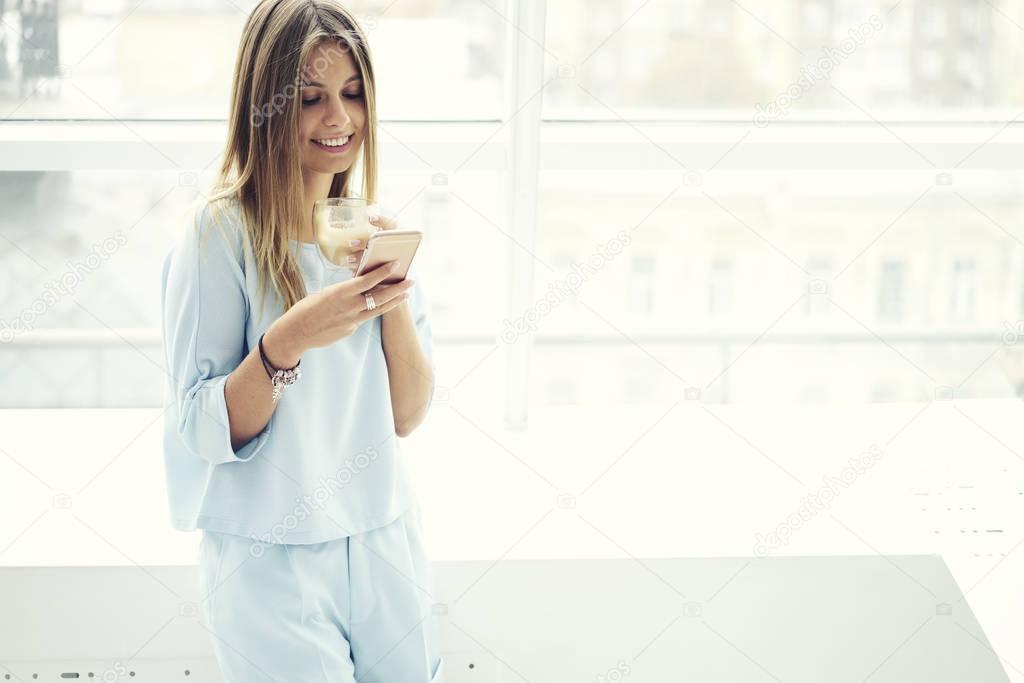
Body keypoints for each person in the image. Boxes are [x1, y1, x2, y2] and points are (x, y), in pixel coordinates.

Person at [159, 1, 442, 680]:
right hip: (269, 557)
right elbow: (199, 426)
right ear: (264, 105)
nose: (338, 119)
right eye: (311, 98)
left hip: (380, 534)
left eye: (352, 94)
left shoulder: (371, 229)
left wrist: (389, 296)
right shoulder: (218, 235)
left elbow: (407, 413)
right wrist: (284, 342)